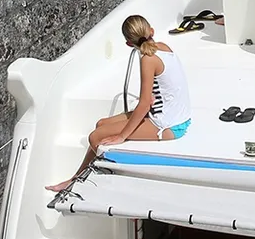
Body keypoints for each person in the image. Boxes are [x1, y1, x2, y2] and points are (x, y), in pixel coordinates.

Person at [46, 15, 191, 192]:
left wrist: (122, 135)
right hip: (173, 114)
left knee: (95, 137)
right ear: (151, 31)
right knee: (101, 124)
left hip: (169, 124)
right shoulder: (163, 47)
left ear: (129, 44)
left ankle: (75, 181)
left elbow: (144, 103)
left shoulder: (148, 58)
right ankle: (94, 172)